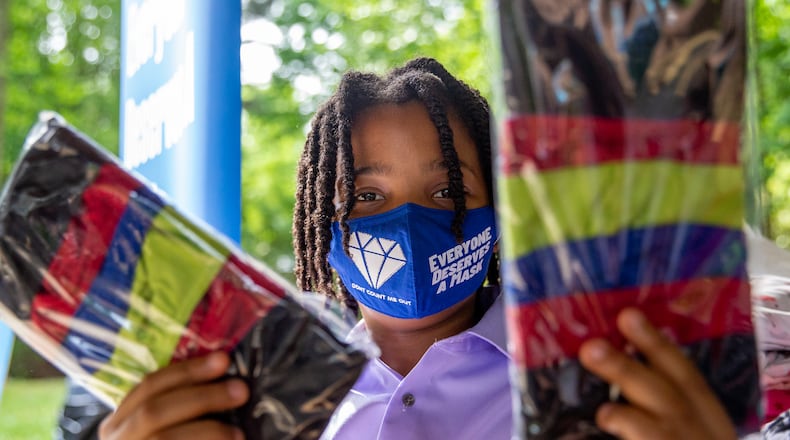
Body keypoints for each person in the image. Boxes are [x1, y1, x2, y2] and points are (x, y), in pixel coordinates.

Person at [98, 57, 739, 440]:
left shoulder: (595, 376)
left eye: (448, 189)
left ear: (501, 206)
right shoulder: (258, 396)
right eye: (369, 198)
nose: (409, 223)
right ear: (322, 220)